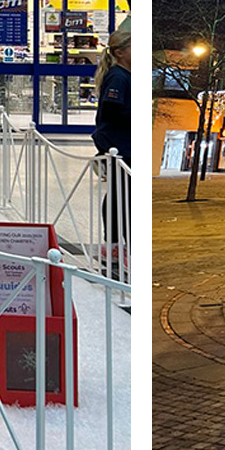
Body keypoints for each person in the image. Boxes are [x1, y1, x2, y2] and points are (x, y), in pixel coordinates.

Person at [91, 18, 131, 279]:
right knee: (121, 196)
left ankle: (116, 244)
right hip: (119, 144)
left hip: (121, 143)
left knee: (120, 194)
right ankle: (117, 245)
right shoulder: (118, 76)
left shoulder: (124, 75)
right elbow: (111, 108)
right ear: (120, 52)